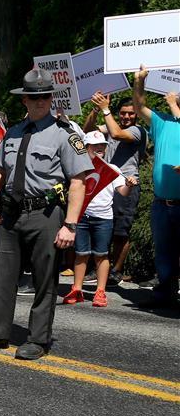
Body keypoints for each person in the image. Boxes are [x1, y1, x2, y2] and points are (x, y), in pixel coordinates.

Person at [0, 68, 93, 360]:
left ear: (51, 98)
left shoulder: (66, 135)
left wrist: (70, 225)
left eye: (45, 97)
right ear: (24, 100)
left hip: (45, 214)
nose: (40, 102)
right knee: (4, 278)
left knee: (44, 279)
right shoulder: (12, 133)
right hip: (12, 215)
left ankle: (38, 339)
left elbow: (79, 181)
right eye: (34, 97)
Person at [61, 131, 136, 308]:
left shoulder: (112, 169)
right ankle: (77, 288)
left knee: (101, 254)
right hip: (82, 217)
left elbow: (123, 192)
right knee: (81, 253)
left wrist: (129, 185)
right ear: (86, 148)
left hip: (103, 218)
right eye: (95, 146)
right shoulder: (78, 167)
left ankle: (100, 291)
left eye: (102, 145)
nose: (100, 148)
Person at [82, 91, 147, 286]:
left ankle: (116, 271)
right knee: (103, 228)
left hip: (126, 185)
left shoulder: (138, 131)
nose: (127, 117)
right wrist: (95, 109)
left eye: (131, 113)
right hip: (106, 185)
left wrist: (105, 109)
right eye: (123, 113)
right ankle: (100, 268)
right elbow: (88, 131)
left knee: (121, 231)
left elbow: (118, 134)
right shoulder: (111, 127)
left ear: (136, 115)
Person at [132, 67, 180, 307]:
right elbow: (139, 107)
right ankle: (165, 293)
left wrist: (174, 106)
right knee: (164, 252)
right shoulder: (163, 122)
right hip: (162, 203)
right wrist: (139, 82)